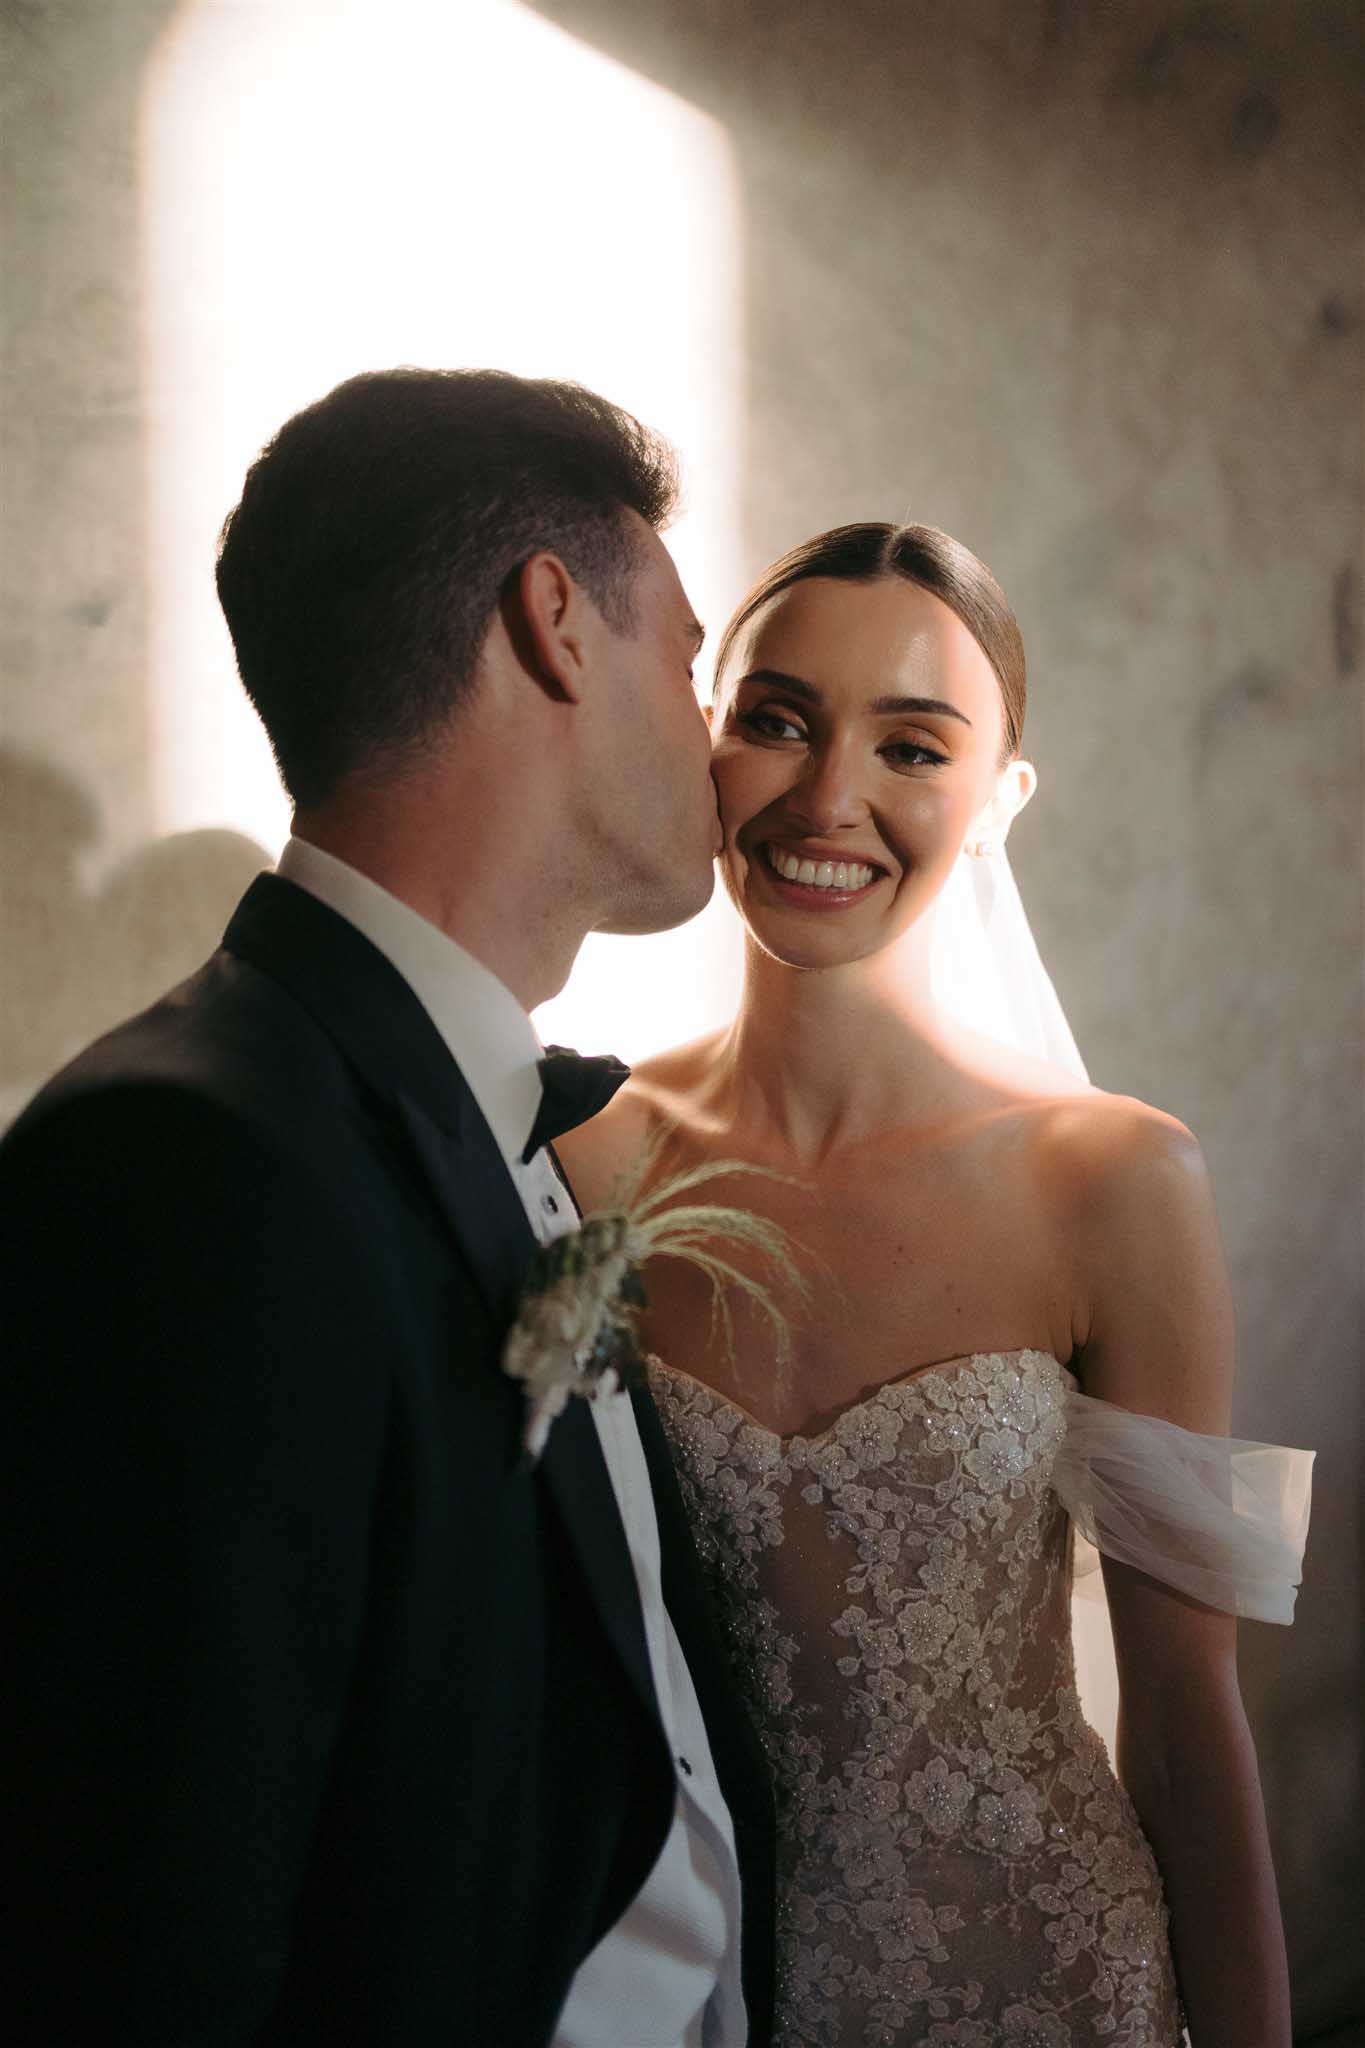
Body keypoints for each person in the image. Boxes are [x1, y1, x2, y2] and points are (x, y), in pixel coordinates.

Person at [0, 368, 777, 2047]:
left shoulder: (529, 1131)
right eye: (690, 658)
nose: (714, 735)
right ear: (555, 623)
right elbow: (146, 1935)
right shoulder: (180, 1167)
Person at [557, 523, 1314, 2047]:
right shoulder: (588, 1158)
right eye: (775, 720)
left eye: (912, 745)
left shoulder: (1114, 1181)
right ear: (707, 744)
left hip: (1050, 1985)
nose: (828, 797)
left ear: (996, 800)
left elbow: (1180, 1717)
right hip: (706, 1997)